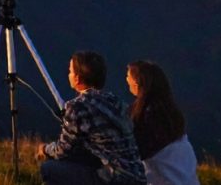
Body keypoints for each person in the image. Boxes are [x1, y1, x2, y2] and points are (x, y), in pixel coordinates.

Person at [36, 51, 146, 185]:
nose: (69, 75)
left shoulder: (78, 106)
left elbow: (62, 150)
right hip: (138, 176)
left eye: (70, 71)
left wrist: (45, 149)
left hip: (115, 178)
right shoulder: (115, 101)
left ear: (77, 78)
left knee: (48, 168)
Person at [127, 61, 199, 185]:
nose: (126, 79)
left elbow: (132, 154)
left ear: (137, 83)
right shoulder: (171, 116)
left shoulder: (147, 119)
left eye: (128, 76)